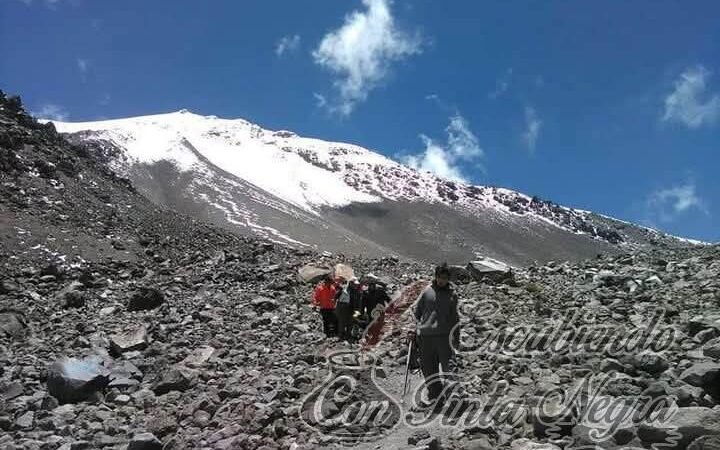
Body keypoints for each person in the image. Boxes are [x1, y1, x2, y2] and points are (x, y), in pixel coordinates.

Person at [412, 263, 460, 403]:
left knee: (448, 368)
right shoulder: (427, 291)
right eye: (439, 277)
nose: (441, 280)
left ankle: (452, 397)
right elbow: (417, 312)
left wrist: (456, 337)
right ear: (436, 276)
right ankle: (435, 395)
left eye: (445, 278)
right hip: (426, 337)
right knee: (428, 368)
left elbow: (454, 318)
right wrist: (413, 329)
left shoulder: (452, 295)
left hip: (444, 337)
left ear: (448, 279)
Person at [334, 276, 353, 341]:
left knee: (349, 321)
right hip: (342, 306)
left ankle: (348, 335)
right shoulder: (342, 289)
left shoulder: (353, 290)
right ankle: (341, 335)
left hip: (349, 306)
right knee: (342, 321)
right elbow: (336, 297)